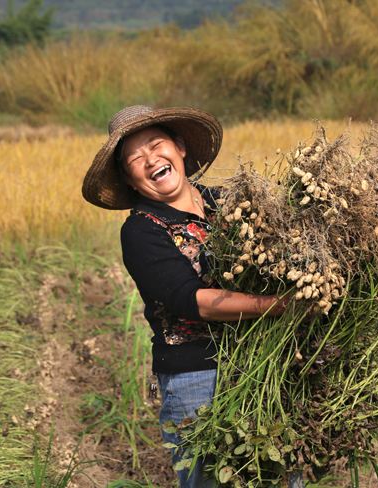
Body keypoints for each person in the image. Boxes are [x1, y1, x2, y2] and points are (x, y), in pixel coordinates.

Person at [82, 105, 303, 487]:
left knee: (282, 476)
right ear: (130, 180)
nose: (151, 160)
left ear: (180, 147)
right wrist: (283, 306)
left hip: (263, 361)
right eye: (136, 158)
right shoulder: (141, 231)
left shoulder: (230, 204)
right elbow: (192, 300)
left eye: (156, 145)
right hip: (197, 378)